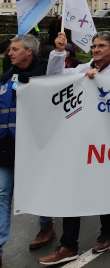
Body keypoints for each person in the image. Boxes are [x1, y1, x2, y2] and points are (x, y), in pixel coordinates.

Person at [39, 31, 110, 265]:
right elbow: (52, 77)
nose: (95, 49)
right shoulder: (82, 69)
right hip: (80, 138)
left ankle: (107, 231)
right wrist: (59, 52)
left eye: (101, 46)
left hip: (107, 140)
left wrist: (100, 81)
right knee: (73, 189)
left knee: (104, 187)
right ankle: (68, 245)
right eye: (93, 46)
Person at [0, 35, 55, 264]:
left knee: (38, 190)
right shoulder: (5, 76)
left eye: (14, 49)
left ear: (29, 52)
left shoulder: (46, 76)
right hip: (5, 146)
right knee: (2, 193)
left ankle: (46, 226)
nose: (9, 53)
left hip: (33, 148)